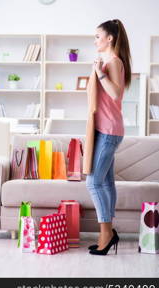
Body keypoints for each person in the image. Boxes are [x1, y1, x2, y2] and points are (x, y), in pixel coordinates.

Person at [86, 19, 132, 255]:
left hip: (109, 131)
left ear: (110, 38)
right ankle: (108, 232)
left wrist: (97, 72)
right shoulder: (107, 61)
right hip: (108, 129)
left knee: (93, 182)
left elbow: (116, 94)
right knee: (106, 183)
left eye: (97, 36)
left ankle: (106, 233)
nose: (95, 40)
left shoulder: (113, 62)